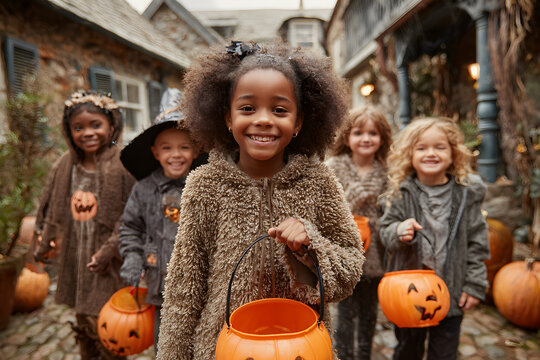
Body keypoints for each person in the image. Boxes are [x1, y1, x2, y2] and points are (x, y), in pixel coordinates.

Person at [156, 40, 365, 360]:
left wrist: (311, 246)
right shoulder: (204, 187)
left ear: (298, 122)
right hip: (225, 350)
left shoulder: (319, 183)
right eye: (248, 108)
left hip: (301, 348)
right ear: (227, 117)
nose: (264, 119)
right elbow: (184, 290)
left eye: (279, 110)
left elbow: (350, 266)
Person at [33, 90, 135, 360]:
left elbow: (132, 214)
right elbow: (49, 205)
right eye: (78, 127)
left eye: (96, 125)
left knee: (110, 324)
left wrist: (110, 248)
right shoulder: (66, 165)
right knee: (83, 318)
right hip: (78, 253)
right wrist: (45, 238)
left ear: (111, 126)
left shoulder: (123, 166)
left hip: (108, 257)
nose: (87, 133)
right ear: (69, 132)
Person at [379, 117, 489, 360]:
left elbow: (478, 242)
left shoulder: (466, 195)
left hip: (450, 293)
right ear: (410, 154)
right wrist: (398, 230)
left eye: (440, 147)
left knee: (444, 353)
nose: (431, 153)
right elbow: (384, 231)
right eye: (422, 148)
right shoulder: (401, 192)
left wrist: (474, 285)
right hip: (408, 296)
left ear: (453, 153)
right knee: (407, 350)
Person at [118, 88, 199, 350]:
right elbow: (130, 228)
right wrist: (132, 257)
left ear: (196, 150)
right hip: (158, 285)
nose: (176, 154)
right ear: (155, 152)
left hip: (197, 287)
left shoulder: (203, 188)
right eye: (167, 148)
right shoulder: (143, 190)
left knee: (200, 345)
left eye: (184, 147)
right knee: (164, 346)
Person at [326, 106, 392, 360]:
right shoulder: (334, 167)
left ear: (382, 138)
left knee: (369, 311)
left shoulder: (386, 171)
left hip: (376, 254)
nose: (366, 138)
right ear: (346, 137)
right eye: (358, 132)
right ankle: (345, 355)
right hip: (346, 251)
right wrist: (352, 198)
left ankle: (364, 353)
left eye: (373, 133)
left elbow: (391, 209)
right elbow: (328, 208)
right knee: (345, 312)